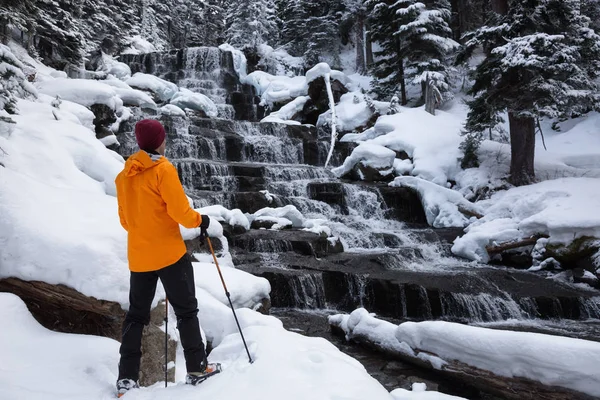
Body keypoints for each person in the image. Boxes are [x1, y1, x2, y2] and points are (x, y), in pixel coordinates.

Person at [114, 119, 219, 397]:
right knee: (186, 311)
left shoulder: (124, 176)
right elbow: (181, 213)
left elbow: (125, 221)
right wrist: (201, 220)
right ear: (159, 141)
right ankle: (197, 368)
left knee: (136, 316)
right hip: (170, 255)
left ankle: (126, 379)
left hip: (139, 257)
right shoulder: (163, 169)